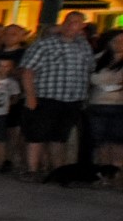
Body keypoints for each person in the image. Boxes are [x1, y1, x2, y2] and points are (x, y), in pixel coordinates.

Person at [20, 11, 95, 179]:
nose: (71, 25)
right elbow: (27, 71)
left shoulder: (84, 46)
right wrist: (30, 97)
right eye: (68, 21)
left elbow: (90, 70)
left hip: (73, 99)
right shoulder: (45, 44)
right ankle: (32, 170)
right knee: (36, 135)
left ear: (82, 26)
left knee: (59, 137)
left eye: (76, 22)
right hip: (46, 98)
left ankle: (57, 171)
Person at [88, 30, 123, 179]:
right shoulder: (98, 58)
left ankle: (117, 171)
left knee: (117, 141)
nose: (119, 44)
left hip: (119, 105)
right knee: (100, 140)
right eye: (115, 40)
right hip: (97, 104)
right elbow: (92, 79)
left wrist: (107, 82)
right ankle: (103, 172)